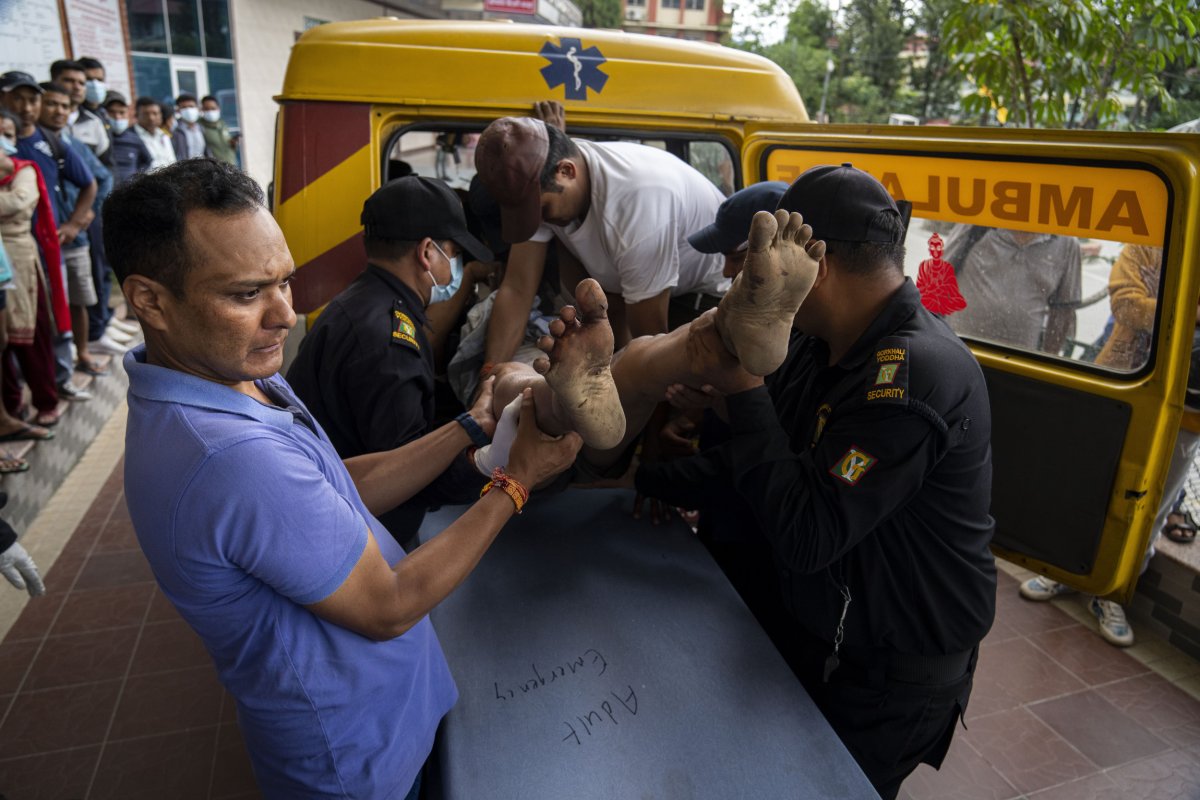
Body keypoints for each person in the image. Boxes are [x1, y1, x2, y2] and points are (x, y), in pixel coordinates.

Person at [106, 157, 582, 798]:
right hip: (357, 761)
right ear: (149, 301)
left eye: (284, 281)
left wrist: (468, 427)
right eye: (247, 294)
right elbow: (386, 606)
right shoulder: (228, 456)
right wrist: (515, 484)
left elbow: (330, 482)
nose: (284, 313)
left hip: (379, 720)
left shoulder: (223, 375)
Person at [521, 164, 993, 799]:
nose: (739, 280)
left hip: (891, 668)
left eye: (756, 268)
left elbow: (807, 532)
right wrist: (648, 479)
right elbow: (759, 462)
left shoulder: (911, 378)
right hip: (822, 625)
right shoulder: (815, 344)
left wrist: (741, 391)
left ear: (813, 269)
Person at [286, 176, 500, 552]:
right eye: (454, 252)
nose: (457, 265)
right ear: (427, 252)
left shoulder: (360, 302)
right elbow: (404, 474)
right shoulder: (388, 340)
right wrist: (489, 462)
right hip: (366, 535)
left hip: (338, 509)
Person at [1018, 243, 1196, 647]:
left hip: (1189, 408)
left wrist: (1167, 311)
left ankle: (1111, 593)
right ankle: (1062, 569)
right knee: (1090, 483)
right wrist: (1191, 314)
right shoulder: (1148, 249)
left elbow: (1144, 308)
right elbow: (1128, 307)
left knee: (1154, 506)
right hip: (1127, 385)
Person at [473, 115, 727, 371]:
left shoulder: (637, 205)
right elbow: (517, 289)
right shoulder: (540, 182)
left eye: (543, 211)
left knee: (664, 385)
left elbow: (649, 345)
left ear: (566, 172)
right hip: (633, 291)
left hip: (700, 300)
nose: (539, 222)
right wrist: (491, 375)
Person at [2, 71, 96, 403]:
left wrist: (72, 224)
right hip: (10, 253)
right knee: (13, 325)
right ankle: (16, 396)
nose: (26, 107)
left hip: (48, 249)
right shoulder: (7, 142)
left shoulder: (50, 142)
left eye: (32, 99)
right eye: (18, 99)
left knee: (56, 319)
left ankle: (60, 380)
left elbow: (89, 183)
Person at [38, 81, 118, 376]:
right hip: (40, 243)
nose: (59, 111)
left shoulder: (70, 144)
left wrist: (82, 218)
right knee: (46, 309)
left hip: (74, 239)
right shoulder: (23, 143)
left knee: (80, 299)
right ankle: (55, 368)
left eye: (65, 106)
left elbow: (97, 179)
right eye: (51, 104)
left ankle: (82, 352)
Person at [0, 109, 62, 436]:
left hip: (21, 259)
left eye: (7, 135)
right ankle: (10, 407)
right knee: (3, 342)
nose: (3, 142)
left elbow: (17, 204)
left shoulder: (26, 170)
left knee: (32, 334)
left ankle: (46, 401)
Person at [945, 224, 1082, 354]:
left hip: (1019, 362)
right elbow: (939, 277)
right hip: (959, 349)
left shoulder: (1067, 243)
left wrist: (1048, 362)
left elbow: (1063, 310)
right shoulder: (977, 224)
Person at [50, 59, 110, 165]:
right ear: (54, 81)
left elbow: (106, 165)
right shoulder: (42, 120)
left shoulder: (94, 122)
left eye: (82, 83)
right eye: (69, 81)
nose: (77, 87)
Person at [102, 92, 153, 186]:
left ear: (128, 114)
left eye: (121, 112)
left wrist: (136, 177)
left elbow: (147, 160)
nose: (117, 117)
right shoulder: (100, 138)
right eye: (112, 112)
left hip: (129, 191)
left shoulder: (134, 139)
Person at [133, 97, 175, 171]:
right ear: (137, 115)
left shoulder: (164, 136)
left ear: (161, 116)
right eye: (146, 114)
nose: (151, 118)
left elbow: (172, 161)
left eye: (155, 113)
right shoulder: (130, 136)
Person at [198, 95, 239, 165]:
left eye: (213, 108)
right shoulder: (199, 126)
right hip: (214, 168)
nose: (210, 111)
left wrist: (233, 143)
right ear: (202, 109)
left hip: (231, 165)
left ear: (218, 108)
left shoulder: (222, 124)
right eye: (206, 109)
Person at [170, 93, 208, 160]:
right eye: (184, 107)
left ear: (198, 108)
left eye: (191, 106)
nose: (188, 110)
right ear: (178, 110)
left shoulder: (201, 128)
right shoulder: (175, 130)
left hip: (202, 167)